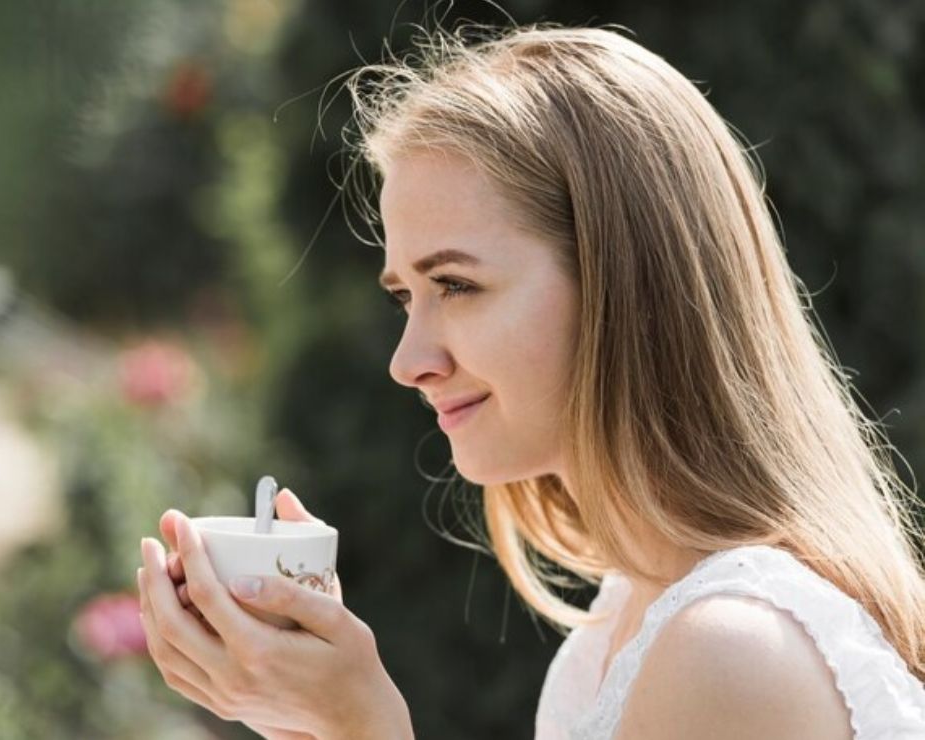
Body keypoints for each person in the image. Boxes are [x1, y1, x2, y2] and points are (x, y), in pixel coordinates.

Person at [135, 23, 925, 739]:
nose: (408, 362)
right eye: (407, 297)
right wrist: (310, 718)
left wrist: (361, 727)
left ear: (626, 285)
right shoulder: (624, 623)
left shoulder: (730, 652)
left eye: (456, 285)